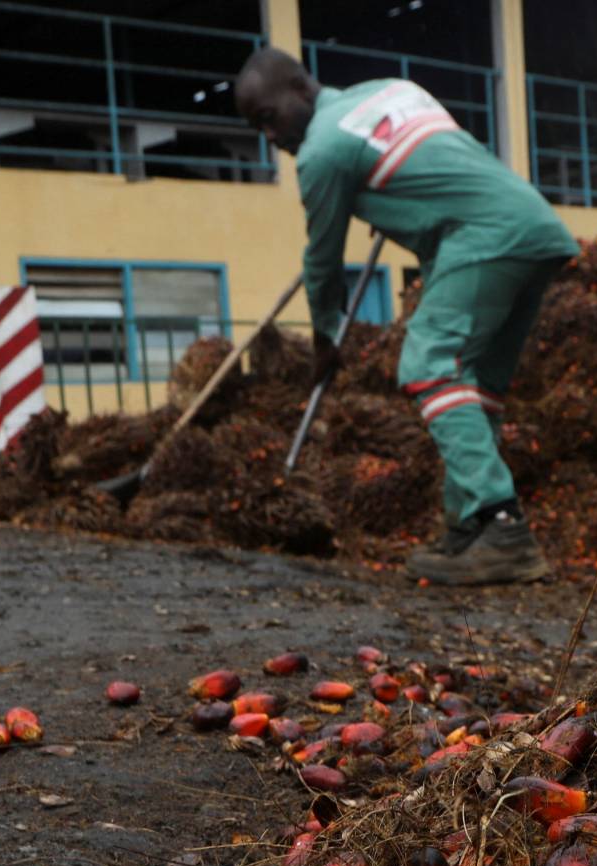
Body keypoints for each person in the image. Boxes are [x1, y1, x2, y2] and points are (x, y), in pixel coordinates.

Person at [234, 48, 577, 585]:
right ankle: (469, 530)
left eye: (268, 118)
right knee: (477, 383)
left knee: (428, 363)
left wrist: (325, 337)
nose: (270, 138)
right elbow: (437, 171)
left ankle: (502, 526)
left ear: (301, 89)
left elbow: (323, 260)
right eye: (257, 128)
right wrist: (389, 204)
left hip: (483, 233)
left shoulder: (321, 152)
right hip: (532, 226)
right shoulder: (391, 91)